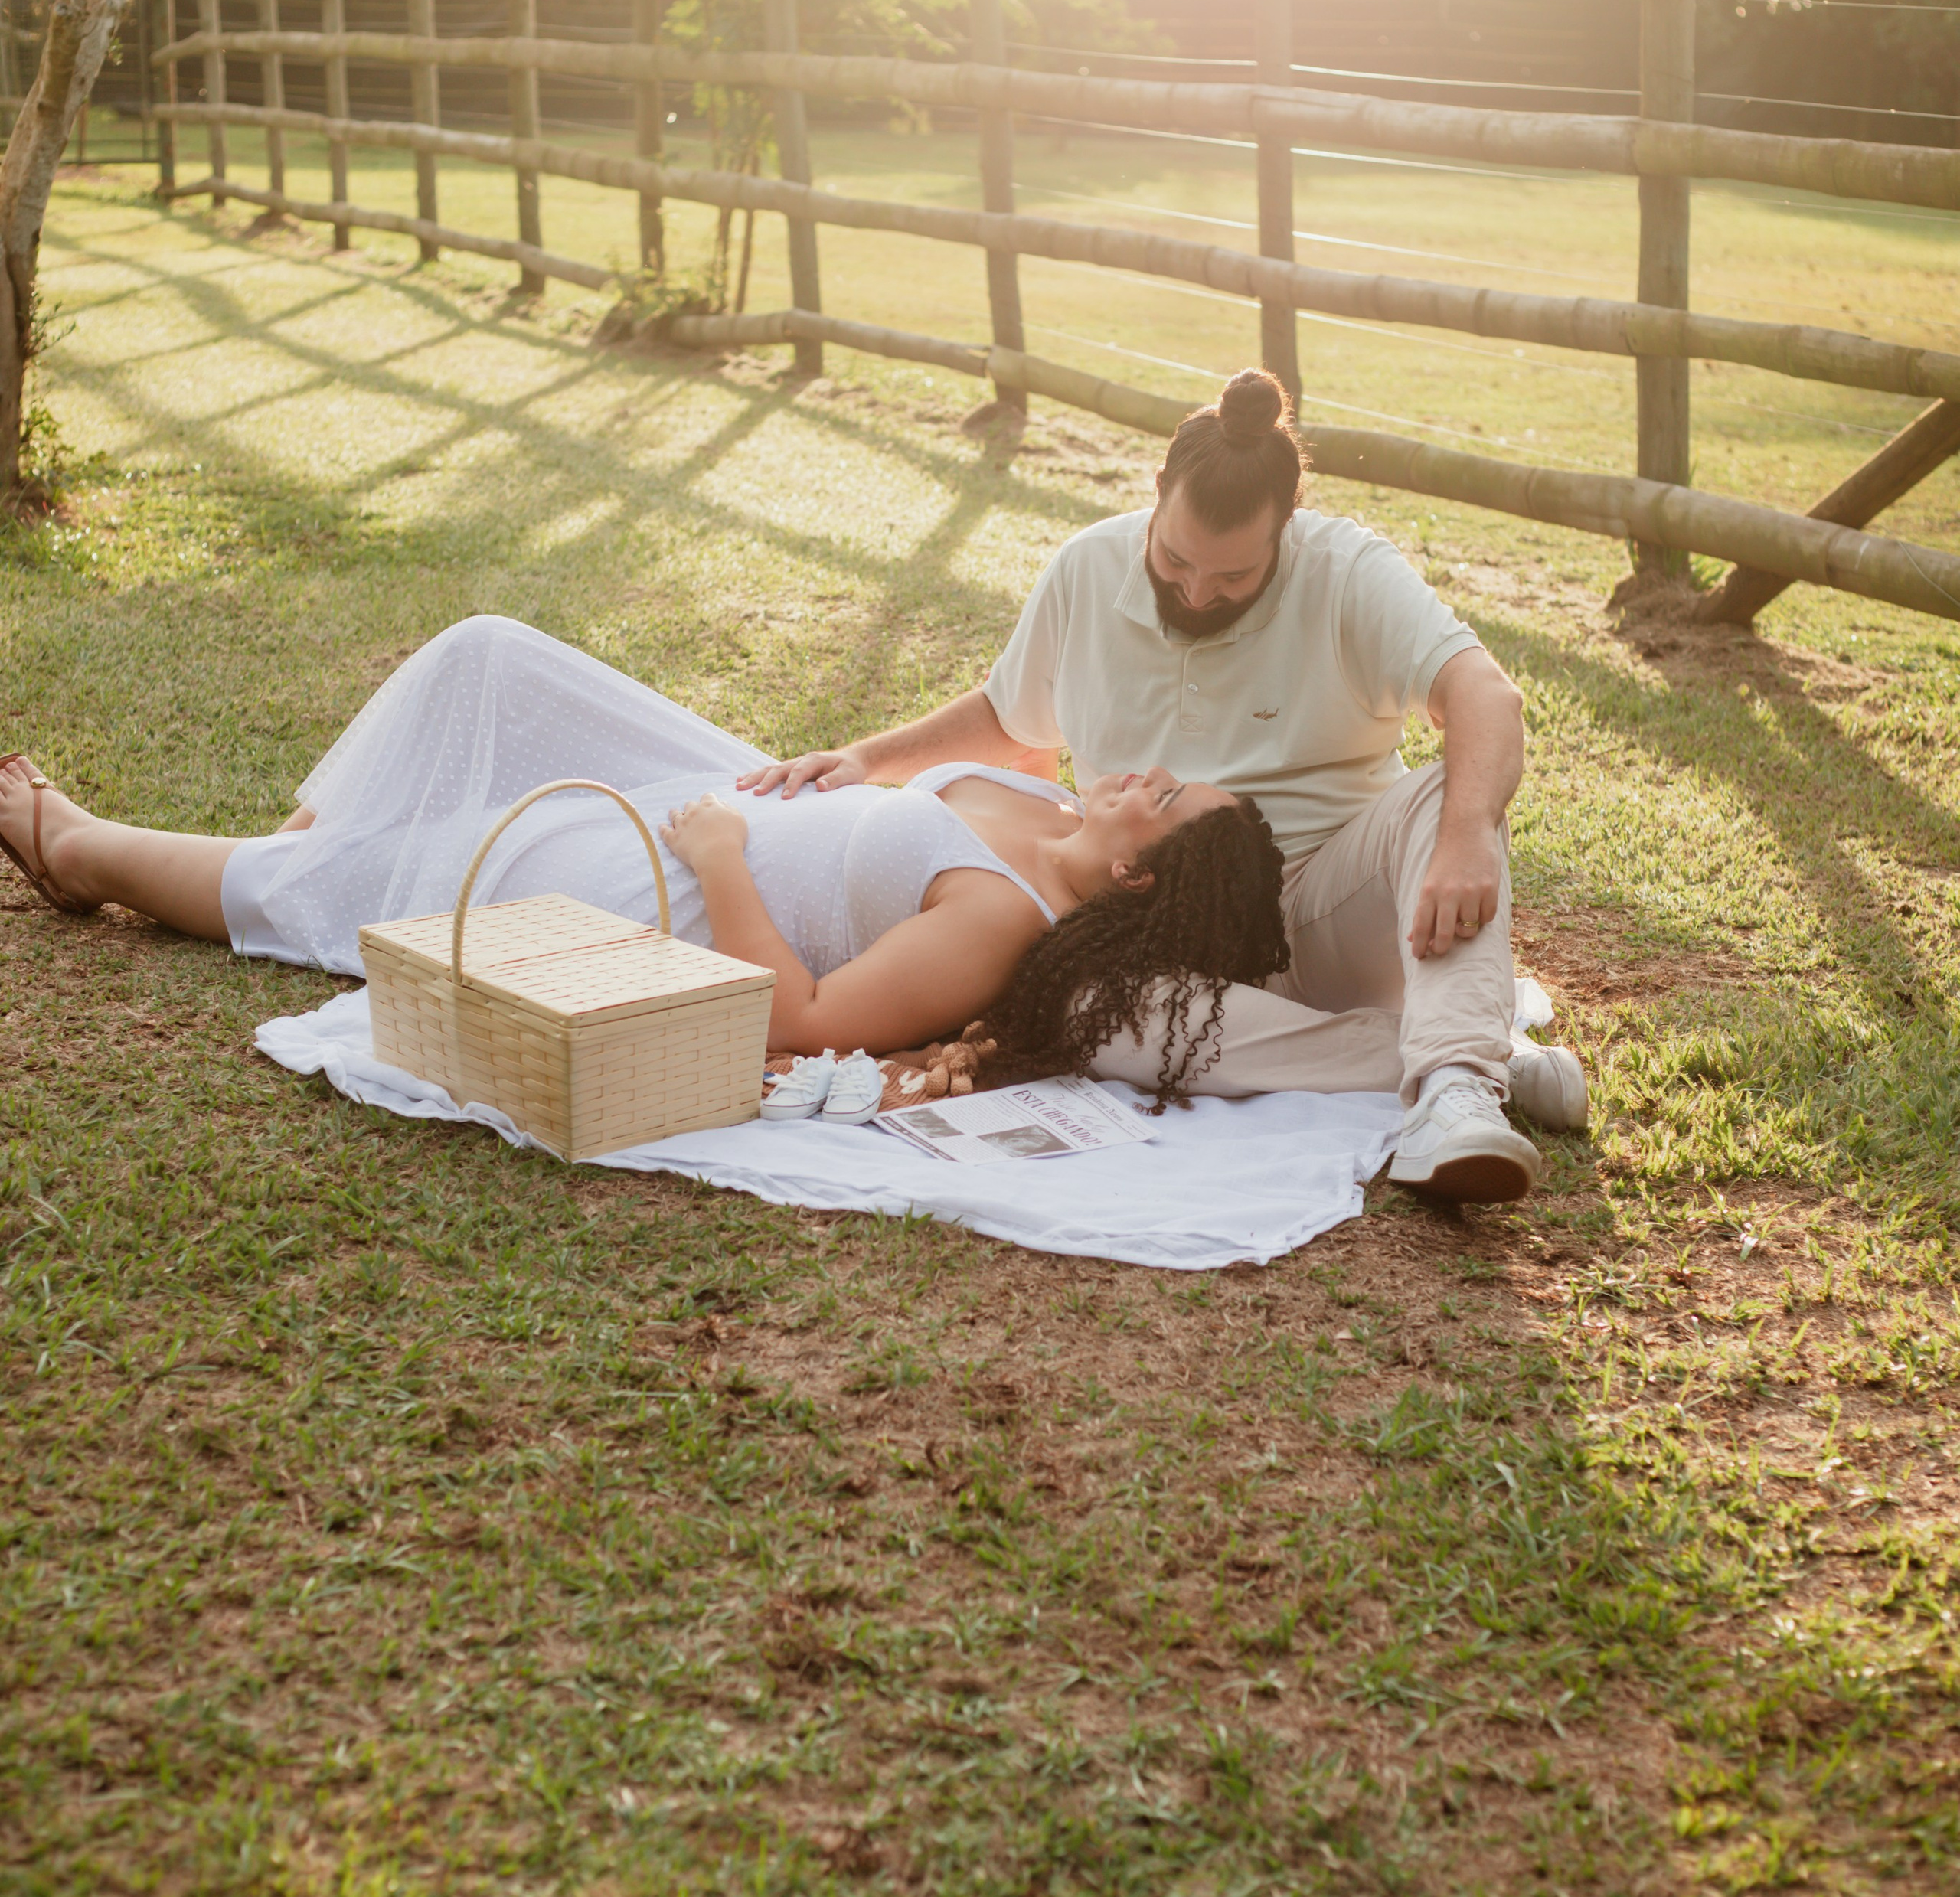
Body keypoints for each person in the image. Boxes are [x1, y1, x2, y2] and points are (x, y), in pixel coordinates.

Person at [743, 369, 1585, 1203]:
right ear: (1156, 493)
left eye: (1231, 579)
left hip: (1333, 904)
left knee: (1445, 799)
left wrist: (1470, 831)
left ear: (1284, 529)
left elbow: (1485, 696)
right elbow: (1010, 710)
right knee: (1078, 1012)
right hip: (1164, 932)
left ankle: (1457, 1096)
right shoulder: (1086, 569)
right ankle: (1474, 1053)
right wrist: (864, 758)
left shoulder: (1347, 571)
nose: (1194, 591)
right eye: (1177, 559)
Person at [0, 616, 1289, 1098]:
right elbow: (887, 802)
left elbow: (806, 1022)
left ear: (1136, 877)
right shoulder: (1040, 801)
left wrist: (727, 859)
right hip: (704, 793)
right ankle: (322, 838)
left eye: (1159, 800)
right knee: (488, 658)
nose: (1141, 775)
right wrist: (839, 769)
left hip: (668, 879)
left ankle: (81, 849)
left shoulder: (993, 924)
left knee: (330, 893)